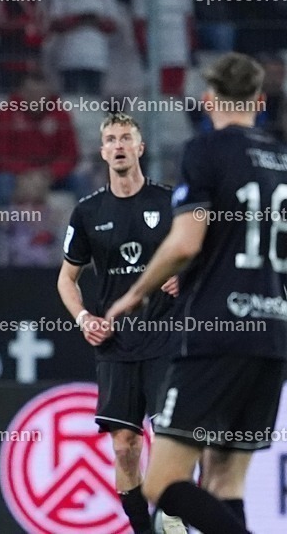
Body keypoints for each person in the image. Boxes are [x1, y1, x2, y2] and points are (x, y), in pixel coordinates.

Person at [108, 53, 286, 534]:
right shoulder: (282, 159)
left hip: (216, 336)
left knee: (161, 483)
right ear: (260, 101)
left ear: (208, 101)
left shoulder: (206, 151)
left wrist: (135, 293)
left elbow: (186, 242)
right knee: (226, 486)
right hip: (272, 336)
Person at [57, 113, 186, 534]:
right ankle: (143, 530)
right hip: (116, 345)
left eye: (126, 138)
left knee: (171, 438)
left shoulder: (169, 202)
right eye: (110, 139)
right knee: (125, 446)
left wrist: (187, 275)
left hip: (167, 338)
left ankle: (173, 511)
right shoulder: (88, 211)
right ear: (102, 151)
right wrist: (82, 318)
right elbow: (66, 277)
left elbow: (205, 255)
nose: (118, 145)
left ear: (140, 148)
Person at [0, 72, 81, 206]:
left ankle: (90, 225)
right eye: (31, 94)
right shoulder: (4, 115)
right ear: (22, 93)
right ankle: (4, 225)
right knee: (3, 182)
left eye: (41, 95)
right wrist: (25, 173)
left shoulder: (61, 115)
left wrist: (49, 173)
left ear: (48, 94)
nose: (36, 100)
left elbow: (70, 155)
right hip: (16, 175)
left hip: (51, 175)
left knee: (80, 182)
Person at [49, 0, 119, 94]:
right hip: (69, 57)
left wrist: (95, 21)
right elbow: (54, 23)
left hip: (97, 58)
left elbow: (113, 25)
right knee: (71, 104)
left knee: (94, 106)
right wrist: (79, 20)